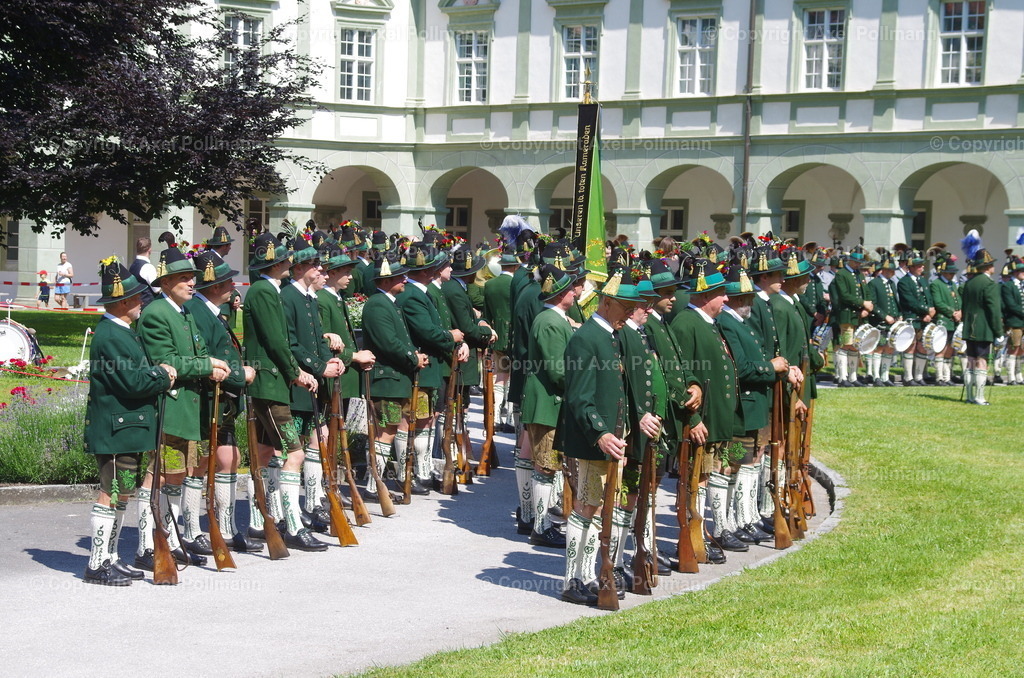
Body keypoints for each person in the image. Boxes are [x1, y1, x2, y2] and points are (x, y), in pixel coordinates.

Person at [561, 273, 657, 606]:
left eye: (633, 307)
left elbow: (621, 390)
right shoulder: (587, 339)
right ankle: (574, 577)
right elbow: (578, 396)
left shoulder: (613, 337)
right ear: (606, 301)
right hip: (594, 438)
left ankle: (592, 573)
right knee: (588, 505)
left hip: (614, 437)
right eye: (625, 306)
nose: (630, 313)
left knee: (603, 506)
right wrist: (599, 432)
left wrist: (638, 417)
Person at [135, 246, 230, 570]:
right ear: (166, 282)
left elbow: (195, 353)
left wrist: (213, 368)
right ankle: (146, 546)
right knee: (157, 478)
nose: (192, 282)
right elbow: (167, 362)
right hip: (169, 410)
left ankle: (171, 539)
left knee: (174, 477)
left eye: (192, 277)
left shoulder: (183, 312)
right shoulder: (157, 313)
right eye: (184, 278)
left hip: (187, 411)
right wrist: (207, 365)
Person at [82, 257, 176, 585]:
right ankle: (96, 563)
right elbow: (133, 382)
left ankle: (110, 557)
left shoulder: (123, 331)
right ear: (122, 302)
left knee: (122, 492)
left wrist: (155, 374)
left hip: (126, 427)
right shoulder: (111, 334)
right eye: (136, 297)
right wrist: (162, 376)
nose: (141, 301)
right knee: (110, 493)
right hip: (113, 429)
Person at [241, 233, 321, 548]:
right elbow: (276, 339)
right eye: (286, 258)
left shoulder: (269, 288)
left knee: (263, 453)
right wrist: (295, 372)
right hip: (270, 383)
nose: (291, 261)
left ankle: (260, 521)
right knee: (295, 452)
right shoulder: (264, 290)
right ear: (275, 263)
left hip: (270, 383)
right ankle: (292, 525)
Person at [184, 250, 262, 553]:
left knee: (230, 460)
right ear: (215, 286)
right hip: (206, 400)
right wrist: (239, 375)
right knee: (200, 464)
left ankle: (226, 528)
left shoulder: (211, 312)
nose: (234, 286)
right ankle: (192, 529)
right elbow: (205, 357)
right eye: (228, 281)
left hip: (224, 402)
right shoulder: (197, 312)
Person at [360, 252, 430, 501]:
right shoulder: (378, 304)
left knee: (391, 430)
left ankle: (378, 483)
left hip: (395, 380)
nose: (405, 280)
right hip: (387, 381)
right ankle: (372, 485)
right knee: (385, 432)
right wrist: (414, 357)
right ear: (387, 280)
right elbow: (388, 343)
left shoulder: (388, 302)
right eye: (400, 276)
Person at [520, 264, 576, 549]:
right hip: (547, 403)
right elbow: (558, 371)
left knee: (548, 467)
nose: (575, 293)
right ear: (561, 294)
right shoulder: (551, 322)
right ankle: (541, 526)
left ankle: (542, 522)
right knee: (545, 467)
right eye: (571, 289)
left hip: (549, 402)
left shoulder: (556, 319)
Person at [961, 247, 1002, 405]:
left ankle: (970, 396)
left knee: (970, 361)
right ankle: (979, 397)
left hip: (969, 326)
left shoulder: (969, 283)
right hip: (983, 326)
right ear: (987, 267)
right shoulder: (989, 284)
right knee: (982, 361)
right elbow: (994, 310)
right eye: (991, 264)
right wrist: (998, 331)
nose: (993, 267)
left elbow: (964, 306)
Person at [897, 250, 936, 386]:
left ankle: (919, 376)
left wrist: (930, 311)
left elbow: (929, 298)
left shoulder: (923, 281)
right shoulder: (904, 282)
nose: (922, 267)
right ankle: (908, 377)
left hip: (925, 319)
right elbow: (910, 301)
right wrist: (926, 310)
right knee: (910, 346)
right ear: (911, 267)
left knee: (923, 347)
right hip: (912, 318)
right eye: (919, 266)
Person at [929, 252, 962, 386]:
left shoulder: (952, 284)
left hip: (953, 321)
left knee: (950, 349)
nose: (952, 274)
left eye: (953, 272)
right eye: (949, 272)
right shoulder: (936, 284)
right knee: (940, 348)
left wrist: (960, 311)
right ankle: (939, 377)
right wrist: (952, 312)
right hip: (944, 319)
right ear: (943, 272)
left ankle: (947, 377)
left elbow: (957, 299)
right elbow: (938, 302)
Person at [1001, 256, 1024, 384]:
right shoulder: (1008, 286)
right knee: (1013, 348)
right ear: (1015, 273)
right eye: (1022, 271)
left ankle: (1019, 375)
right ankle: (1011, 377)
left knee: (1021, 349)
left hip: (1023, 322)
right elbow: (1010, 305)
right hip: (1014, 321)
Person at [128, 237, 158, 308]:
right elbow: (157, 289)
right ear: (150, 250)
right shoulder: (148, 267)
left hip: (137, 305)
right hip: (148, 307)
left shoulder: (133, 265)